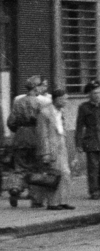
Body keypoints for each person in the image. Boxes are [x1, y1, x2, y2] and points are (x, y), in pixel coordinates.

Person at [7, 76, 46, 205]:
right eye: (40, 86)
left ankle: (15, 188)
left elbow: (11, 122)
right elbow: (43, 123)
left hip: (20, 137)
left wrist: (18, 130)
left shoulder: (18, 102)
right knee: (36, 168)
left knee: (19, 167)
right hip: (35, 137)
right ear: (35, 87)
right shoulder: (41, 103)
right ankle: (35, 197)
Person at [35, 88, 73, 210]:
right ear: (57, 99)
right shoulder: (44, 113)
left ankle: (63, 200)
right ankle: (53, 202)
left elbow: (62, 127)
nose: (66, 101)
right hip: (51, 147)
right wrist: (45, 153)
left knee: (66, 173)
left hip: (61, 144)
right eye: (64, 99)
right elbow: (42, 134)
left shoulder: (61, 112)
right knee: (54, 175)